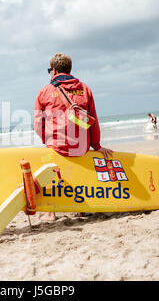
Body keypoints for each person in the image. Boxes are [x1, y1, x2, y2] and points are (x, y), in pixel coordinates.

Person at [34, 53, 113, 221]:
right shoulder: (85, 89)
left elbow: (37, 123)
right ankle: (81, 209)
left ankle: (51, 212)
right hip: (81, 147)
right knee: (78, 163)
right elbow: (93, 120)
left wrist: (46, 141)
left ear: (53, 71)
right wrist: (96, 146)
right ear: (69, 70)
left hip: (56, 146)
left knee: (50, 167)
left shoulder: (44, 92)